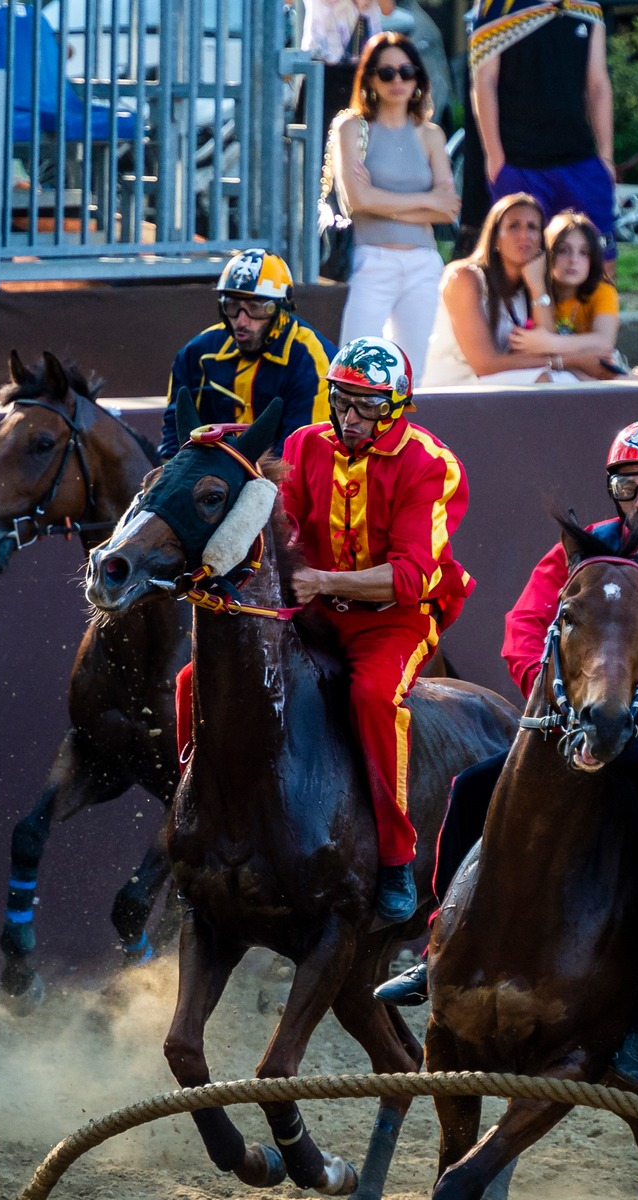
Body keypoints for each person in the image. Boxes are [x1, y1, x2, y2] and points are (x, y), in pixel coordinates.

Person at [376, 420, 638, 1085]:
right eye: (627, 487)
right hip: (578, 738)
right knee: (471, 793)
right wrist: (556, 690)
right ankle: (436, 944)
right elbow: (525, 627)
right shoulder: (588, 554)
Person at [278, 338, 475, 923]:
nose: (348, 417)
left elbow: (413, 577)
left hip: (396, 616)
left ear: (394, 407)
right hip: (313, 605)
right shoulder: (302, 445)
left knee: (371, 696)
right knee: (195, 678)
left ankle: (394, 857)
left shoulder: (431, 462)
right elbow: (283, 530)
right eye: (340, 401)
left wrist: (316, 580)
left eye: (364, 405)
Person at [333, 31, 460, 379]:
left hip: (423, 264)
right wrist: (425, 201)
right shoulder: (351, 128)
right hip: (371, 260)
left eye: (407, 71)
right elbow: (357, 201)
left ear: (418, 77)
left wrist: (382, 200)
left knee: (414, 375)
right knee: (352, 368)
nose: (398, 80)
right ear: (371, 78)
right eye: (387, 72)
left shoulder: (430, 134)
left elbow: (448, 209)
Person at [468, 0, 617, 267]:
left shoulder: (586, 5)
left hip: (581, 162)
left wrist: (606, 157)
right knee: (520, 270)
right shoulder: (496, 5)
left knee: (600, 266)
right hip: (518, 163)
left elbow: (598, 83)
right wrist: (495, 158)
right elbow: (484, 81)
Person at [160, 250, 335, 460]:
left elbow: (301, 453)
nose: (241, 321)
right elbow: (174, 435)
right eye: (232, 306)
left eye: (256, 308)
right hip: (207, 479)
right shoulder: (196, 354)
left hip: (280, 479)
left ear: (282, 310)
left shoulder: (311, 360)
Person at [425, 192, 569, 384]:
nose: (524, 235)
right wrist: (564, 361)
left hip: (497, 385)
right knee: (546, 380)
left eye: (532, 227)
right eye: (513, 226)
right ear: (495, 239)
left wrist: (537, 285)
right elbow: (484, 364)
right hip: (455, 385)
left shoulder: (528, 285)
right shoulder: (465, 277)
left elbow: (547, 345)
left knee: (574, 380)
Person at [541, 210, 626, 378]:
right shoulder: (538, 292)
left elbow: (604, 342)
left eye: (583, 252)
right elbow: (536, 352)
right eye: (564, 251)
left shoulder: (603, 291)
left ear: (593, 259)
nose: (573, 260)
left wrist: (549, 343)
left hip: (596, 373)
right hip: (551, 372)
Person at [305, 0, 398, 142]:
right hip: (321, 65)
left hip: (364, 66)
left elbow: (387, 9)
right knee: (318, 141)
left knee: (365, 136)